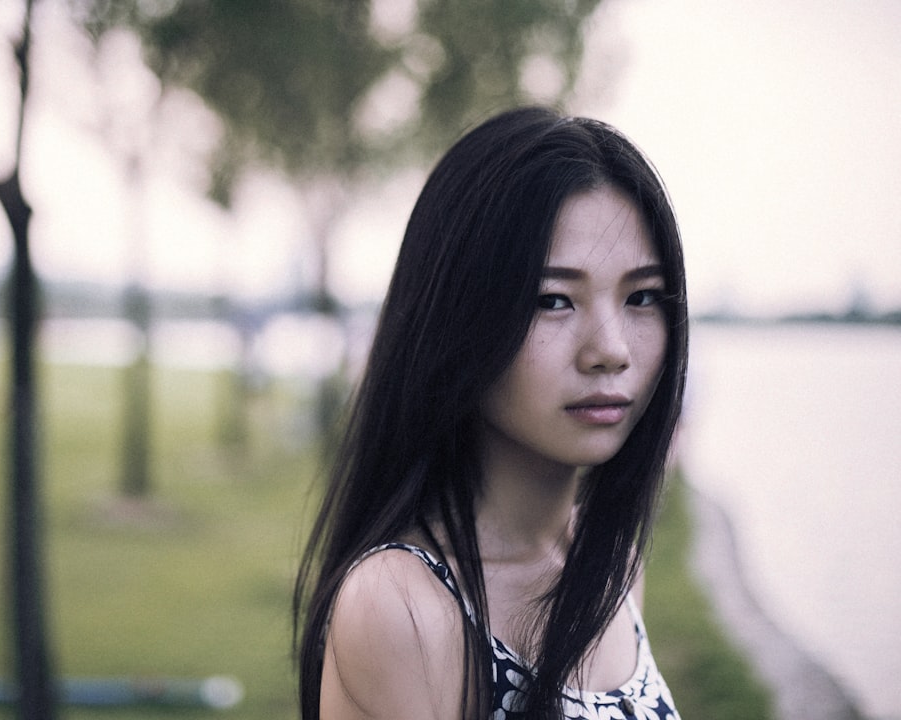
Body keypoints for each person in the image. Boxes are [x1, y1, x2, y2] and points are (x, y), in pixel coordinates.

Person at [293, 106, 688, 720]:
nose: (611, 349)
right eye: (554, 300)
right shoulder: (403, 607)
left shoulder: (611, 564)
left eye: (641, 296)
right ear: (459, 315)